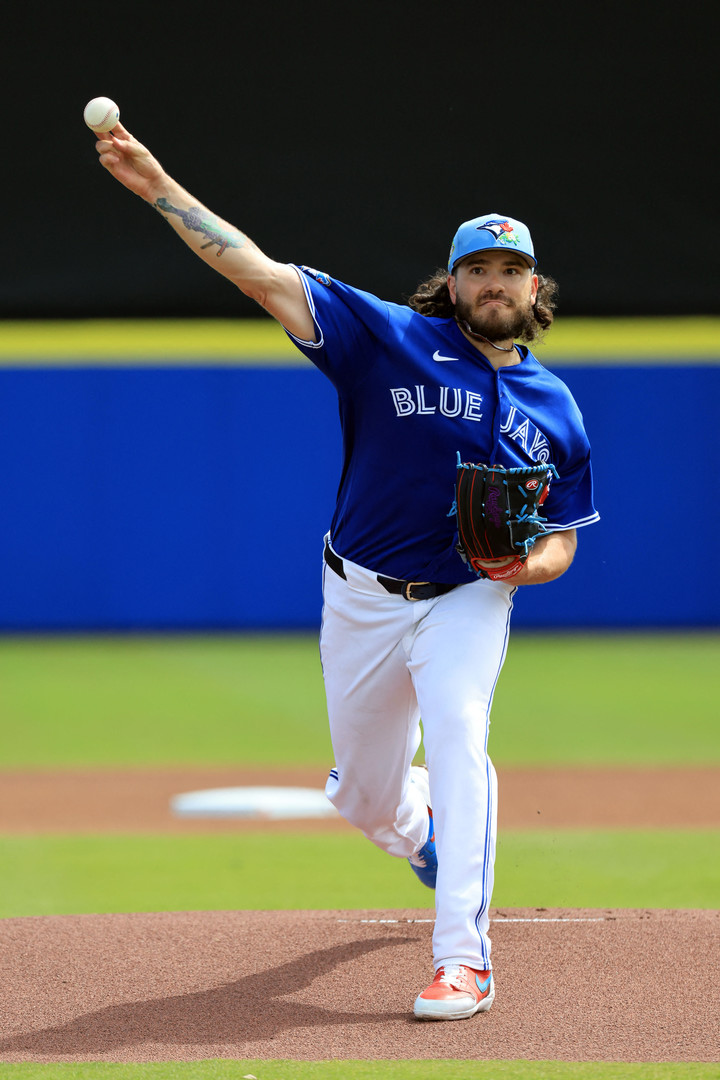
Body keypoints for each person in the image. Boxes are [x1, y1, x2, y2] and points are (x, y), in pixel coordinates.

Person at [92, 122, 599, 1021]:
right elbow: (259, 274)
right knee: (366, 797)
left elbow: (562, 534)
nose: (495, 282)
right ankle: (421, 835)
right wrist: (158, 186)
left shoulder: (556, 408)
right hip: (362, 593)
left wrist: (532, 566)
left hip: (471, 595)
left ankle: (464, 960)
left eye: (511, 269)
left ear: (534, 287)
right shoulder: (387, 339)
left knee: (459, 733)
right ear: (454, 283)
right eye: (479, 269)